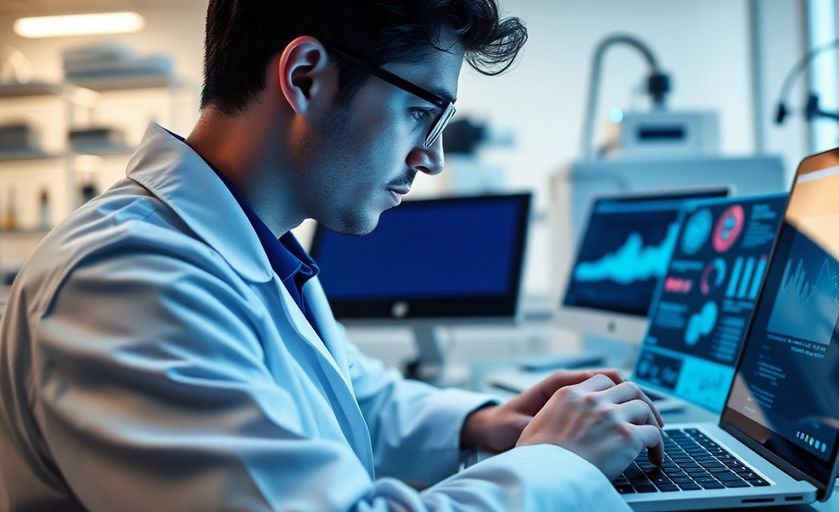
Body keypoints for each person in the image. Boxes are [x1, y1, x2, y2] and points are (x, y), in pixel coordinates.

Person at [0, 1, 665, 510]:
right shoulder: (126, 282)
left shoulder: (253, 247)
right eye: (422, 112)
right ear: (307, 76)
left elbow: (350, 398)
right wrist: (557, 463)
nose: (431, 157)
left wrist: (483, 422)